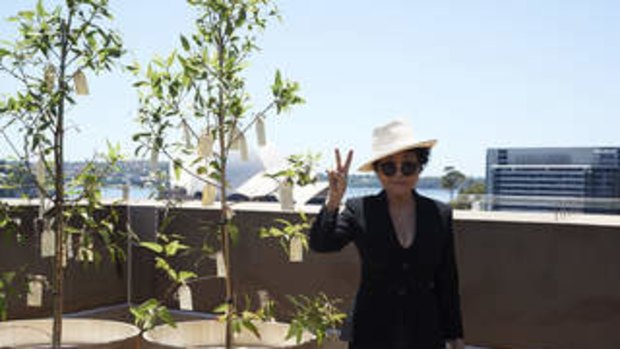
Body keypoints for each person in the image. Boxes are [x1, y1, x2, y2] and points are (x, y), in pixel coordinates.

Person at [309, 119, 465, 349]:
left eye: (408, 166)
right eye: (389, 167)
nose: (399, 174)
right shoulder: (359, 209)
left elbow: (447, 279)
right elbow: (322, 244)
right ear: (378, 172)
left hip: (425, 332)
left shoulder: (439, 214)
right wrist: (333, 201)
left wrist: (455, 336)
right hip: (371, 331)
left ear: (420, 168)